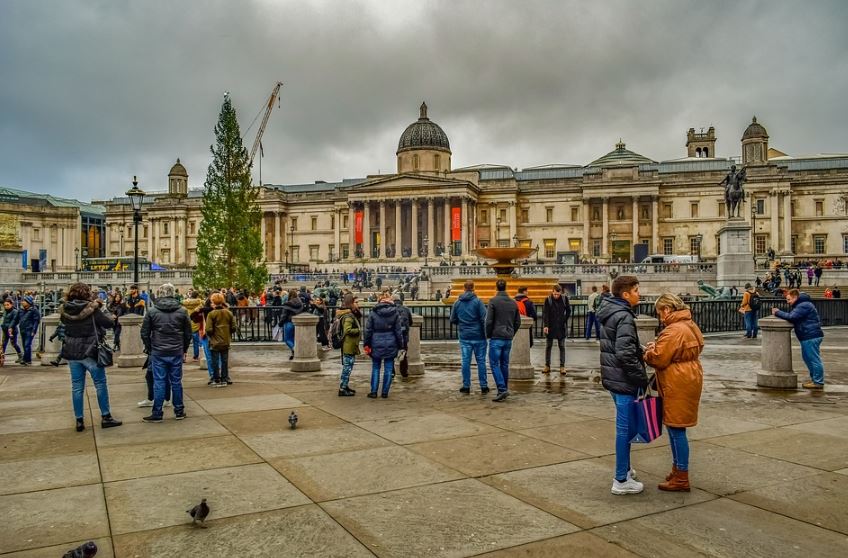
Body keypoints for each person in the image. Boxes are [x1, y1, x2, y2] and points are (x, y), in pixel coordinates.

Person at [643, 293, 704, 492]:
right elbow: (695, 346)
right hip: (690, 375)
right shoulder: (690, 324)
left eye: (660, 313)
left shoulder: (673, 330)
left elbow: (658, 359)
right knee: (676, 427)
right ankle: (677, 470)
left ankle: (681, 476)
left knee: (676, 429)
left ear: (667, 310)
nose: (660, 317)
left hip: (677, 381)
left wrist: (649, 352)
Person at [597, 275, 649, 495]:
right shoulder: (624, 316)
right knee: (624, 430)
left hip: (613, 377)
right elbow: (624, 353)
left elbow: (622, 345)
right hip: (623, 380)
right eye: (636, 290)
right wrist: (642, 377)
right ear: (625, 294)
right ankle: (620, 479)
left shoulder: (611, 311)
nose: (640, 294)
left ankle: (625, 469)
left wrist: (640, 350)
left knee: (624, 428)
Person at [59, 282, 122, 432]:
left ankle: (79, 420)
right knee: (100, 384)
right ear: (87, 294)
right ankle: (106, 417)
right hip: (90, 351)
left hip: (72, 352)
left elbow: (64, 325)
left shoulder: (65, 310)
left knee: (77, 387)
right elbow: (108, 323)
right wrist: (104, 310)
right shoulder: (93, 309)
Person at [140, 283, 192, 422]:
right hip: (176, 350)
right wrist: (184, 349)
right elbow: (188, 333)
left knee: (159, 382)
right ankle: (179, 411)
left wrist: (150, 347)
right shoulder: (182, 311)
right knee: (176, 382)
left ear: (160, 294)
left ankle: (157, 412)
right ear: (173, 293)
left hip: (158, 350)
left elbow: (144, 333)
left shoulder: (152, 311)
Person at [772, 289, 825, 389]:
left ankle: (818, 382)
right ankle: (815, 380)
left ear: (795, 297)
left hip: (810, 336)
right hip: (808, 335)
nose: (788, 302)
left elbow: (792, 316)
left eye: (789, 299)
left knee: (813, 359)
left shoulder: (803, 305)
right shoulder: (803, 304)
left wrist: (778, 312)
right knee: (808, 359)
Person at [485, 279, 521, 402]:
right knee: (504, 364)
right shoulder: (513, 302)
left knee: (494, 364)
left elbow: (488, 321)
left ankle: (501, 389)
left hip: (496, 337)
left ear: (496, 287)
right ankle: (504, 388)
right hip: (508, 338)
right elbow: (518, 322)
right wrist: (512, 332)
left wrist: (488, 334)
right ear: (505, 287)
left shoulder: (493, 301)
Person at [450, 280, 489, 394]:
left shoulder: (457, 303)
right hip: (479, 336)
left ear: (464, 288)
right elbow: (484, 319)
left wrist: (462, 324)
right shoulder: (478, 302)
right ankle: (483, 385)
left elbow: (452, 319)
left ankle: (466, 385)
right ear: (473, 288)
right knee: (481, 361)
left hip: (465, 336)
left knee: (465, 361)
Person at [363, 289, 403, 398]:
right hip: (391, 342)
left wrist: (366, 344)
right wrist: (400, 345)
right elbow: (398, 332)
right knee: (389, 368)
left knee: (376, 367)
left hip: (376, 342)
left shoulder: (373, 313)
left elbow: (368, 331)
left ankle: (374, 391)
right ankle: (385, 392)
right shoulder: (395, 312)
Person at [206, 292, 236, 387]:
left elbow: (209, 329)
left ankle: (216, 378)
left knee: (215, 360)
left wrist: (211, 335)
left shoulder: (211, 314)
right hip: (226, 340)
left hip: (214, 341)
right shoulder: (228, 313)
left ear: (213, 302)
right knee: (224, 360)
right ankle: (224, 378)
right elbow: (234, 327)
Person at [336, 293, 362, 396]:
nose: (357, 304)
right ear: (350, 303)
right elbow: (347, 330)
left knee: (348, 367)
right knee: (347, 368)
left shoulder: (347, 314)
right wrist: (358, 330)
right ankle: (342, 389)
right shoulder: (348, 316)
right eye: (355, 302)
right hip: (348, 345)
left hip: (349, 345)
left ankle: (345, 386)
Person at [542, 285, 571, 375]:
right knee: (548, 346)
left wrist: (564, 319)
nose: (556, 296)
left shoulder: (564, 299)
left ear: (560, 292)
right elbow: (545, 313)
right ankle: (547, 366)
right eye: (554, 294)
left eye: (558, 294)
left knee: (562, 347)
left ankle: (562, 367)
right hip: (550, 326)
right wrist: (546, 325)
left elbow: (569, 310)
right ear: (552, 291)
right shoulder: (548, 299)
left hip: (561, 326)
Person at [280, 289, 304, 360]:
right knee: (294, 339)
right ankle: (294, 353)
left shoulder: (287, 304)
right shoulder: (300, 304)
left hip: (289, 322)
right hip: (298, 323)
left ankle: (296, 351)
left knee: (287, 339)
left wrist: (280, 323)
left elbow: (284, 315)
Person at [17, 296, 41, 366]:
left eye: (24, 301)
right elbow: (17, 319)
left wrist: (34, 330)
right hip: (22, 330)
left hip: (29, 330)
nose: (22, 302)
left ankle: (24, 359)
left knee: (27, 344)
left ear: (28, 302)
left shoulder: (34, 310)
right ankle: (28, 360)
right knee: (25, 345)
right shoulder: (21, 310)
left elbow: (36, 321)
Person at [182, 290, 204, 361]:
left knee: (185, 342)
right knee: (196, 342)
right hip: (196, 323)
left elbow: (181, 302)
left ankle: (184, 356)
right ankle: (196, 356)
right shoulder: (200, 303)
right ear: (197, 295)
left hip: (186, 323)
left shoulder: (185, 303)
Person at [393, 294, 412, 377]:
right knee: (403, 353)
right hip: (404, 335)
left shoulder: (390, 309)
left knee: (391, 355)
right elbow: (410, 322)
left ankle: (392, 372)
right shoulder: (406, 309)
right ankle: (404, 372)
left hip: (393, 335)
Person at [1, 299, 22, 364]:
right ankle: (2, 358)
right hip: (5, 330)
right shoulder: (5, 311)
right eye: (5, 305)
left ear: (11, 304)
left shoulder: (15, 312)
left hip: (12, 331)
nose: (6, 306)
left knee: (14, 344)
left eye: (8, 305)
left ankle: (20, 356)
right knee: (3, 344)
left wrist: (10, 327)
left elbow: (14, 321)